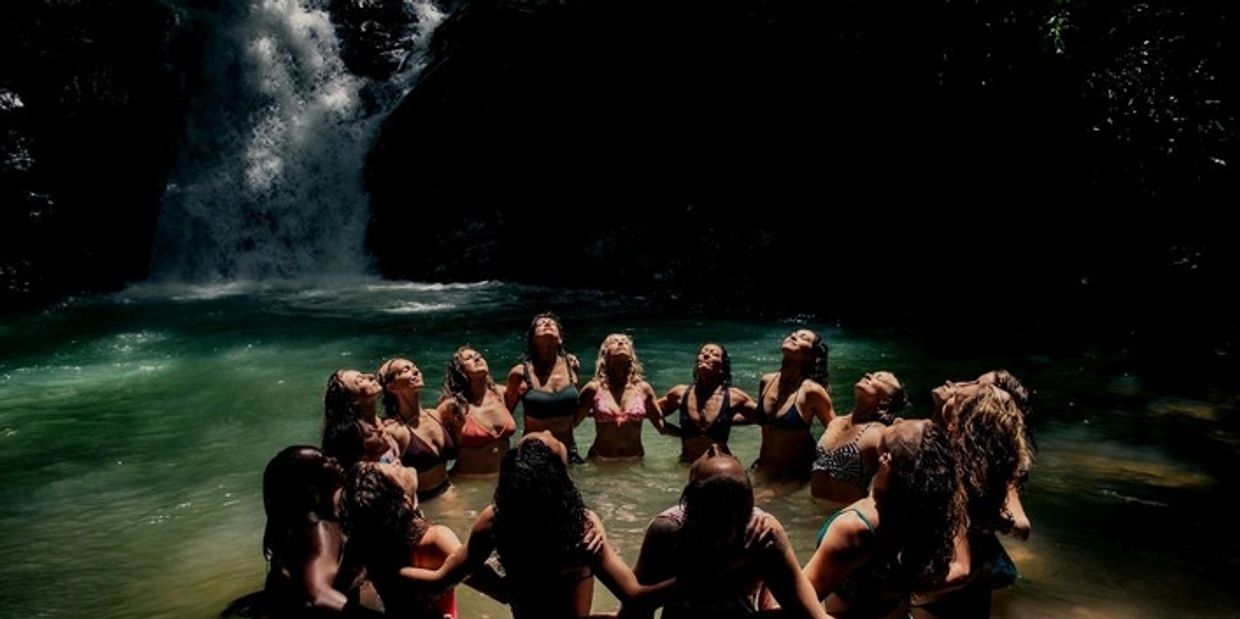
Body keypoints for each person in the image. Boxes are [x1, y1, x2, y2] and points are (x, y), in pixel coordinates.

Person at [400, 432, 669, 618]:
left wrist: (389, 568)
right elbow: (634, 597)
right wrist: (693, 580)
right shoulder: (580, 525)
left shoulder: (495, 520)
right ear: (559, 476)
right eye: (549, 441)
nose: (547, 431)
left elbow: (441, 581)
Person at [630, 444, 828, 619]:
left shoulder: (668, 530)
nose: (714, 447)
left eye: (710, 457)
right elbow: (807, 611)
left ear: (689, 498)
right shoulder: (761, 533)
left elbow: (636, 604)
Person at [803, 420, 966, 619]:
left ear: (885, 461)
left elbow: (801, 602)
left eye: (899, 426)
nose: (898, 420)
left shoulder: (856, 528)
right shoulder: (928, 512)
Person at [341, 461, 463, 618]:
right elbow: (487, 581)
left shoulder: (363, 542)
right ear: (405, 502)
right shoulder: (436, 538)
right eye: (394, 470)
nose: (396, 461)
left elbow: (339, 589)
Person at [260, 445, 355, 617]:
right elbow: (318, 595)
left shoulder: (297, 524)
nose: (333, 459)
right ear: (309, 485)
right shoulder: (320, 529)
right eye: (322, 461)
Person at [811, 371, 908, 507]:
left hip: (844, 515)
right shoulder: (836, 422)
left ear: (886, 399)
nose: (868, 375)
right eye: (872, 374)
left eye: (878, 378)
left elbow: (897, 481)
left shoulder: (878, 433)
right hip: (810, 509)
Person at [754, 329, 836, 481]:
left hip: (795, 474)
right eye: (793, 334)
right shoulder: (766, 381)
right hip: (763, 467)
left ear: (809, 355)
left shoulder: (812, 392)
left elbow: (835, 433)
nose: (793, 336)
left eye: (802, 337)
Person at [656, 343, 760, 462]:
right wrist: (667, 430)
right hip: (687, 465)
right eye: (703, 352)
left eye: (714, 354)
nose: (706, 355)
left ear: (722, 367)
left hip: (720, 466)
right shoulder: (679, 394)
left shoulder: (734, 397)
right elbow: (649, 411)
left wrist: (727, 419)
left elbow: (763, 418)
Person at [505, 312, 585, 462]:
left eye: (551, 324)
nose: (547, 324)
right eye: (540, 324)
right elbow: (506, 416)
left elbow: (576, 411)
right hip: (533, 454)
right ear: (532, 340)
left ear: (560, 339)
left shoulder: (572, 366)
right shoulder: (520, 373)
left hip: (569, 451)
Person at [577, 334, 670, 460]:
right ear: (605, 354)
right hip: (600, 461)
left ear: (631, 355)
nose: (621, 343)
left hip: (634, 461)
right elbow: (572, 422)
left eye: (625, 342)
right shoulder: (593, 389)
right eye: (614, 342)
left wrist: (697, 435)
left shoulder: (643, 389)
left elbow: (662, 427)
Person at [378, 357, 458, 499]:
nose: (415, 371)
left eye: (415, 367)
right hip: (425, 503)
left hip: (450, 491)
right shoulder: (394, 431)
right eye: (406, 370)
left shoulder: (435, 415)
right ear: (391, 387)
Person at [439, 347, 516, 477]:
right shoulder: (453, 406)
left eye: (478, 355)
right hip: (467, 483)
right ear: (459, 370)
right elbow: (426, 426)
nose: (476, 358)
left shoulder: (501, 394)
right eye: (468, 358)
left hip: (503, 478)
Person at [322, 370, 400, 470]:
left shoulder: (384, 422)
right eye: (360, 380)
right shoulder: (352, 432)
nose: (371, 375)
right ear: (354, 400)